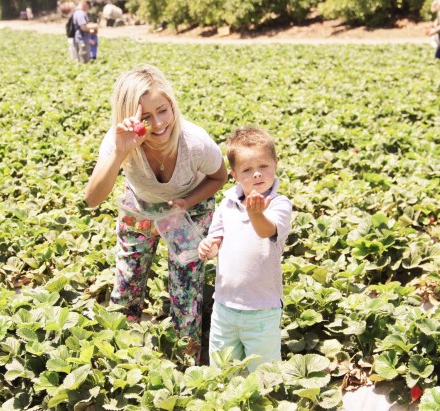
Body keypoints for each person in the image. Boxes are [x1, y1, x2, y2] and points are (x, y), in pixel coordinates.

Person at [84, 65, 227, 360]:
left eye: (163, 110)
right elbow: (93, 198)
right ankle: (120, 354)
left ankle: (185, 360)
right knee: (127, 281)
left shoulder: (195, 142)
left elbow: (220, 177)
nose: (159, 124)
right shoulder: (118, 140)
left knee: (186, 286)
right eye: (145, 117)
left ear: (172, 104)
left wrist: (187, 201)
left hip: (190, 207)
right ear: (129, 117)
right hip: (141, 206)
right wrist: (121, 152)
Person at [198, 126, 292, 373]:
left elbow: (265, 230)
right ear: (234, 175)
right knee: (222, 372)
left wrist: (255, 213)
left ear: (276, 164)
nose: (257, 174)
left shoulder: (279, 204)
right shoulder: (226, 205)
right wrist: (207, 248)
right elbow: (214, 243)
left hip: (262, 310)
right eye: (247, 170)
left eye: (263, 166)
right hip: (224, 307)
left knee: (264, 375)